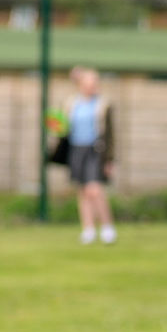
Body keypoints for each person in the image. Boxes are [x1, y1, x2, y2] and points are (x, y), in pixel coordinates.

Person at [66, 67, 117, 246]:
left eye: (95, 83)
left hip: (95, 150)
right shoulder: (71, 103)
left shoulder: (103, 105)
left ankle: (107, 227)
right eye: (88, 83)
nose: (92, 86)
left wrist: (110, 160)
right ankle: (88, 229)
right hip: (76, 149)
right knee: (82, 191)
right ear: (81, 85)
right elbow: (63, 127)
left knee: (94, 190)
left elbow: (110, 134)